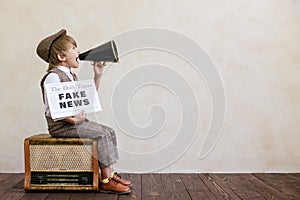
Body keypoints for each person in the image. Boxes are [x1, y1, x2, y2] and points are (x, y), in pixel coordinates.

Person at [36, 29, 132, 194]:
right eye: (74, 48)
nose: (78, 52)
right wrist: (73, 120)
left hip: (75, 123)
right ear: (61, 57)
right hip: (62, 127)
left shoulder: (71, 75)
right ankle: (106, 180)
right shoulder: (53, 77)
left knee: (108, 132)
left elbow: (87, 100)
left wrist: (98, 75)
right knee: (101, 134)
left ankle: (111, 173)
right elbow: (52, 110)